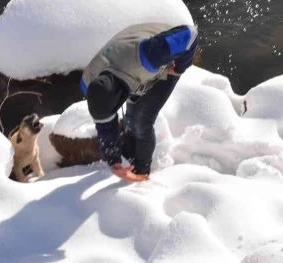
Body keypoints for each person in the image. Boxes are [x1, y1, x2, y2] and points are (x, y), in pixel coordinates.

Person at [80, 22, 198, 182]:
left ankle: (142, 172)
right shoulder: (88, 84)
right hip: (131, 72)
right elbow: (105, 126)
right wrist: (114, 161)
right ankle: (129, 157)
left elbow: (190, 34)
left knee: (141, 121)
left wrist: (179, 68)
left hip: (164, 61)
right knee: (130, 120)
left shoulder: (150, 54)